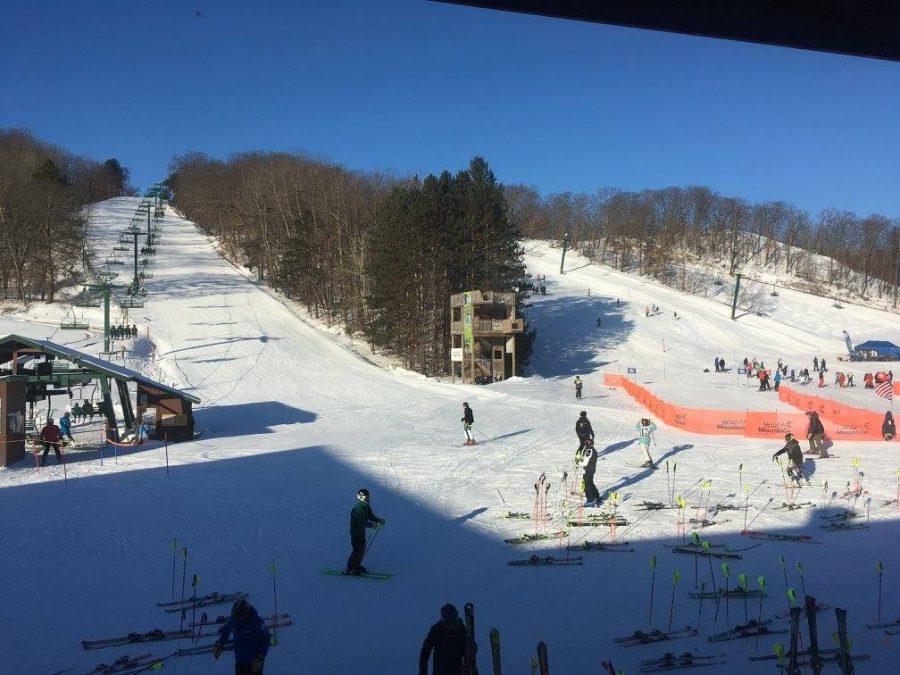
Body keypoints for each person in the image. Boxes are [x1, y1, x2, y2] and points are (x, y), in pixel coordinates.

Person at [213, 598, 270, 674]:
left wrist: (261, 657)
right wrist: (220, 644)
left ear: (245, 614)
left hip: (254, 662)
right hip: (240, 661)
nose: (236, 619)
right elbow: (226, 629)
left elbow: (265, 639)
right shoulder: (233, 620)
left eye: (238, 617)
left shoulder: (257, 623)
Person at [345, 488, 385, 575]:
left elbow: (370, 516)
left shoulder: (366, 506)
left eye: (367, 497)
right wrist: (373, 525)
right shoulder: (357, 509)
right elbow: (362, 522)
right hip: (355, 533)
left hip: (361, 532)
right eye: (364, 497)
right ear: (359, 497)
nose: (366, 499)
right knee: (357, 549)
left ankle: (357, 566)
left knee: (362, 548)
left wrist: (378, 520)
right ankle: (350, 568)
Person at [419, 603, 467, 675]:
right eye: (448, 621)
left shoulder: (461, 630)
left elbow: (465, 651)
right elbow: (425, 651)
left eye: (452, 620)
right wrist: (423, 671)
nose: (450, 625)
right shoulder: (436, 630)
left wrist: (470, 649)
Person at [581, 439, 602, 507]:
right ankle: (596, 496)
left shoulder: (589, 450)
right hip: (591, 469)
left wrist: (578, 462)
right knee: (590, 483)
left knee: (587, 485)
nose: (586, 444)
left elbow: (584, 462)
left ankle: (590, 500)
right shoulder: (592, 450)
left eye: (587, 443)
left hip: (588, 469)